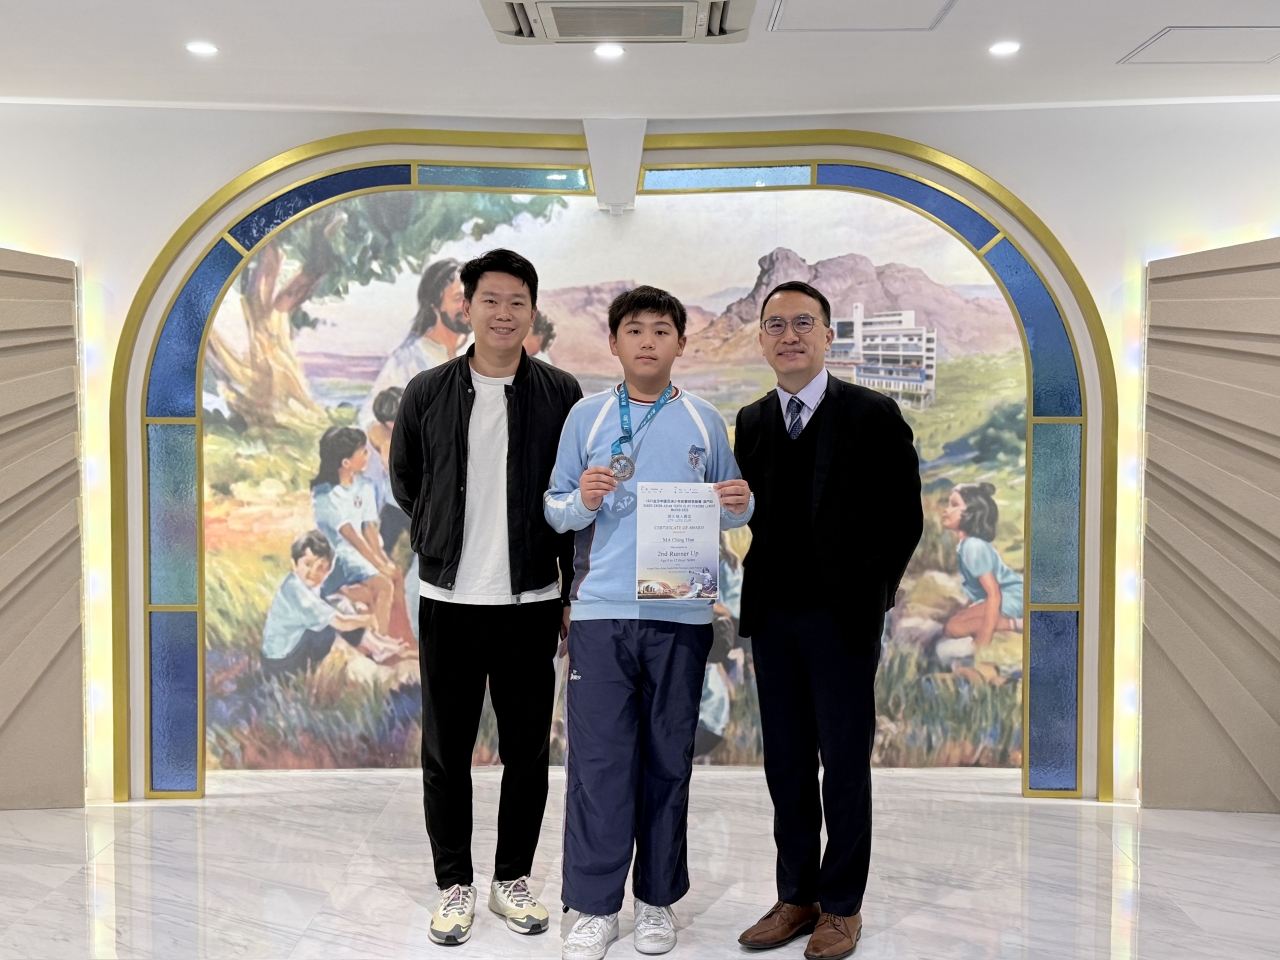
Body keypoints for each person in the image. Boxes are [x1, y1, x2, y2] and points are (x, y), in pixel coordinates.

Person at [544, 285, 753, 960]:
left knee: (668, 761)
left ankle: (656, 900)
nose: (647, 341)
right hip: (602, 612)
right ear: (613, 342)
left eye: (662, 330)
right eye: (634, 330)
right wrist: (582, 498)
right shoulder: (586, 417)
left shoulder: (703, 420)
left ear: (680, 344)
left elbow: (732, 508)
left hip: (681, 613)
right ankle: (594, 907)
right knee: (599, 763)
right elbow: (554, 509)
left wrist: (741, 502)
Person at [389, 248, 582, 946]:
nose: (504, 313)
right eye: (490, 300)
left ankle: (511, 879)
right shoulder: (427, 392)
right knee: (446, 752)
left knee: (527, 751)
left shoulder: (561, 393)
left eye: (517, 302)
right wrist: (443, 536)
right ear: (466, 306)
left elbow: (572, 496)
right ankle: (454, 885)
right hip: (450, 598)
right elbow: (407, 481)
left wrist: (567, 588)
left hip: (532, 599)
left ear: (532, 311)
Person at [734, 281, 922, 960]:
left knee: (842, 765)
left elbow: (904, 518)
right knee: (786, 765)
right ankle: (796, 897)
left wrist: (869, 597)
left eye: (803, 323)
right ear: (762, 339)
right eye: (776, 325)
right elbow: (747, 514)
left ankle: (841, 907)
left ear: (827, 336)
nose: (789, 336)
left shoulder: (871, 413)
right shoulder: (753, 420)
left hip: (841, 621)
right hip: (773, 618)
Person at [310, 426, 403, 639]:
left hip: (359, 553)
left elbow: (368, 528)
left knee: (394, 575)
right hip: (339, 555)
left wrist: (383, 559)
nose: (368, 455)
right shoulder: (325, 495)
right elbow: (350, 536)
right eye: (362, 452)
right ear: (346, 462)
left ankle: (396, 635)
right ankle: (380, 641)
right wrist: (378, 565)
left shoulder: (365, 486)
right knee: (384, 585)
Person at [359, 258, 468, 430]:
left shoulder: (479, 356)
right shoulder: (409, 359)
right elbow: (369, 419)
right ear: (435, 304)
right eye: (458, 298)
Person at [260, 530, 381, 678]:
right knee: (328, 630)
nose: (313, 572)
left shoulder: (299, 582)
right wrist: (369, 619)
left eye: (321, 567)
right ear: (295, 564)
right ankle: (362, 659)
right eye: (308, 564)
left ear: (328, 569)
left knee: (337, 605)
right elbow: (341, 622)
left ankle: (372, 648)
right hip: (281, 665)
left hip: (283, 654)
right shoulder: (296, 592)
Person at [940, 482, 1024, 650]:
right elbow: (978, 589)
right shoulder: (966, 546)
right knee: (956, 623)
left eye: (954, 505)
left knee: (954, 627)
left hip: (1012, 597)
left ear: (971, 513)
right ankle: (1017, 623)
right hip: (1005, 597)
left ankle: (1020, 624)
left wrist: (983, 639)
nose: (946, 510)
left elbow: (994, 593)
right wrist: (967, 610)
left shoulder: (973, 546)